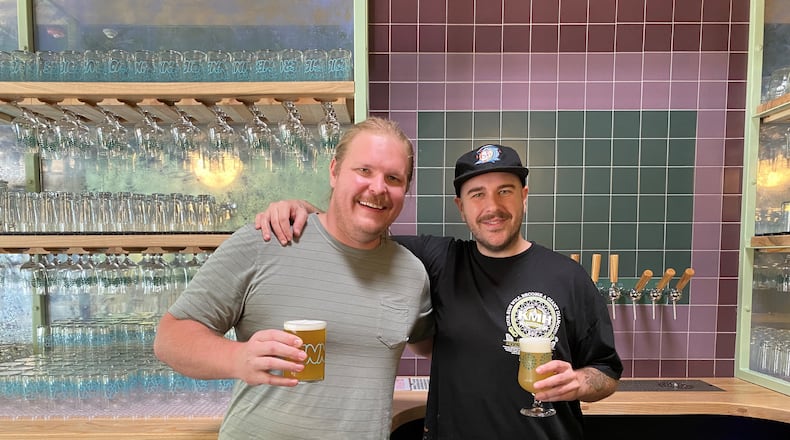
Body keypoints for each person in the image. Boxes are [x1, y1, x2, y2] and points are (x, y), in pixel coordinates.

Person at [257, 143, 623, 439]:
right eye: (477, 195)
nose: (492, 207)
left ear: (524, 196)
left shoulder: (569, 277)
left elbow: (606, 372)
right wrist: (303, 210)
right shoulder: (438, 260)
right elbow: (353, 231)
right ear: (460, 207)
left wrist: (579, 382)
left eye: (505, 191)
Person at [153, 117, 433, 440]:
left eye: (394, 178)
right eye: (364, 171)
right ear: (334, 171)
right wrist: (237, 357)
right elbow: (170, 338)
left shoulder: (412, 274)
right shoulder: (267, 240)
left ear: (405, 191)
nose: (378, 187)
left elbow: (431, 343)